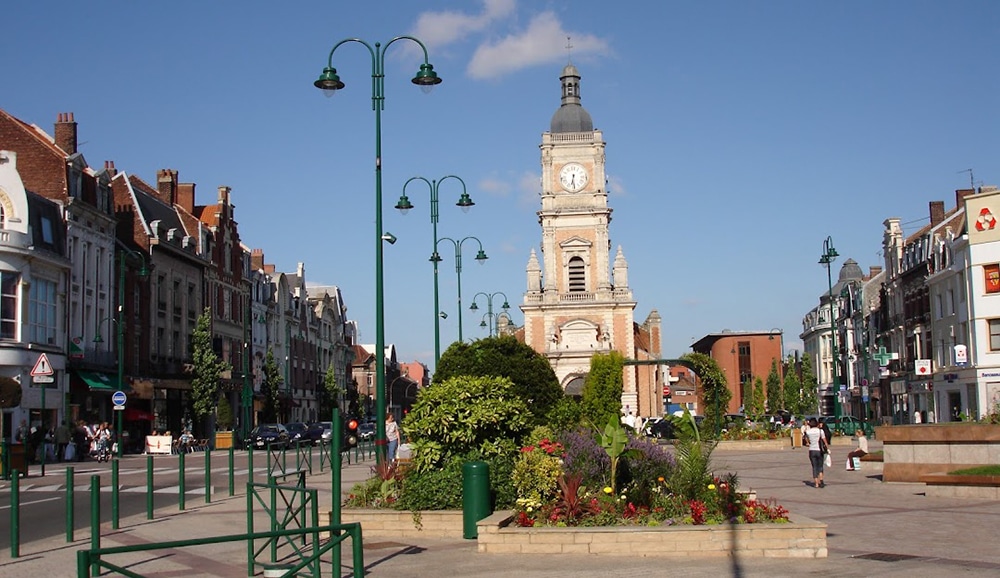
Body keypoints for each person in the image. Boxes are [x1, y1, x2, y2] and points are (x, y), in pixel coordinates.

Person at [803, 418, 827, 488]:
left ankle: (816, 483)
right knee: (820, 466)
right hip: (819, 450)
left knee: (814, 467)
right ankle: (821, 480)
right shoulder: (820, 431)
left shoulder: (808, 431)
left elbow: (806, 438)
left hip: (812, 450)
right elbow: (824, 440)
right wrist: (827, 448)